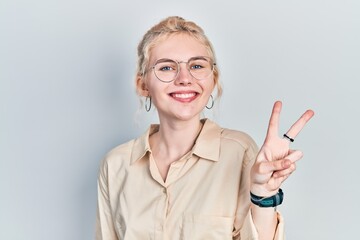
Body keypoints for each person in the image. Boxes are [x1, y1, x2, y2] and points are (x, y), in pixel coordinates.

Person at [96, 16, 314, 240]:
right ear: (143, 84)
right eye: (167, 67)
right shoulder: (115, 165)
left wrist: (264, 196)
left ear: (213, 80)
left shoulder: (239, 152)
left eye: (197, 66)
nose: (184, 78)